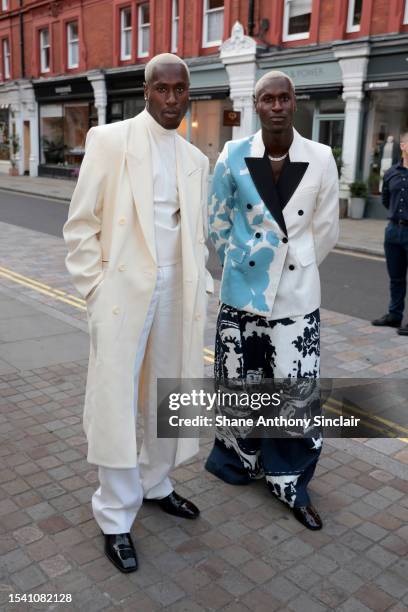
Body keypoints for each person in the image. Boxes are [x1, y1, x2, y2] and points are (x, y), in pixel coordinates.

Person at [63, 53, 213, 573]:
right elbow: (81, 225)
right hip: (124, 290)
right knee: (118, 397)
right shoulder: (110, 140)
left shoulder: (196, 159)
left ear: (188, 93)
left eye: (180, 90)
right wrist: (96, 291)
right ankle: (115, 515)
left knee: (170, 390)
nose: (171, 99)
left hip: (178, 287)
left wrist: (204, 282)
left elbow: (195, 234)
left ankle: (156, 483)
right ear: (147, 91)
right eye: (162, 89)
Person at [206, 70, 339, 530]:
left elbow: (326, 227)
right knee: (241, 380)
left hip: (297, 293)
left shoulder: (320, 156)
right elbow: (217, 219)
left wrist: (294, 262)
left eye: (284, 98)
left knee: (293, 388)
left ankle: (289, 478)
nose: (277, 105)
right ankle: (240, 459)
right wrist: (244, 261)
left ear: (294, 102)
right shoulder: (232, 153)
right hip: (243, 288)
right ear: (256, 105)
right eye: (268, 98)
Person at [372, 132, 408, 335]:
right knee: (396, 278)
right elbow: (386, 199)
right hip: (393, 230)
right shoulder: (391, 172)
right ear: (403, 145)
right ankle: (395, 315)